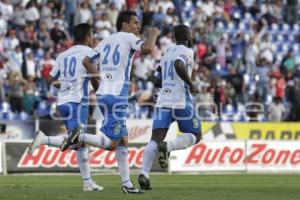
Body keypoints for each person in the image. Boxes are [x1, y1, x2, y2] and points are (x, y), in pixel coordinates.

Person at [60, 11, 161, 193]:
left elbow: (86, 61)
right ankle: (79, 136)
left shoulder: (105, 41)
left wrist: (100, 80)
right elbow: (147, 48)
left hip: (103, 93)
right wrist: (153, 33)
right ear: (124, 24)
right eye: (135, 23)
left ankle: (127, 184)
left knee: (123, 138)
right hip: (118, 94)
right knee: (113, 142)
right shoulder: (128, 37)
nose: (138, 27)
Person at [27, 23, 102, 192]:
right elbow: (93, 77)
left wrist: (66, 86)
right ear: (87, 37)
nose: (93, 39)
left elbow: (50, 79)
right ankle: (44, 139)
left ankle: (87, 182)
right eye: (91, 36)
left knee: (79, 143)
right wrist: (99, 90)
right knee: (77, 139)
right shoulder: (90, 53)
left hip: (62, 102)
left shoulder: (63, 55)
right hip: (78, 101)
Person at [137, 25, 202, 190]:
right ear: (187, 36)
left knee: (155, 138)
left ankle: (144, 173)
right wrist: (191, 83)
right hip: (180, 99)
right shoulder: (187, 51)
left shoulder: (166, 54)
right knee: (195, 134)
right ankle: (168, 147)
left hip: (163, 100)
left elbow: (157, 80)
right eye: (191, 33)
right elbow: (179, 65)